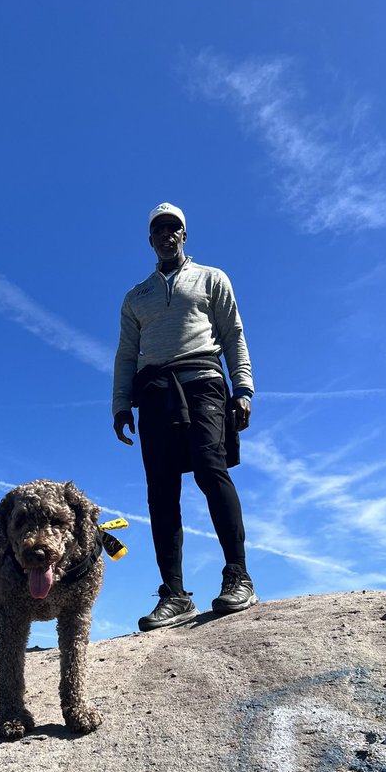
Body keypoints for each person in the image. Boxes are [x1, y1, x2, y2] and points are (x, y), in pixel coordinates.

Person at [112, 202, 257, 631]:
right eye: (159, 229)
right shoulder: (135, 296)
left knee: (211, 470)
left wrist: (243, 388)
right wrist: (120, 404)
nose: (166, 234)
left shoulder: (212, 278)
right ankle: (174, 594)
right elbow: (126, 354)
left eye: (173, 227)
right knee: (160, 489)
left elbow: (233, 334)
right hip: (155, 392)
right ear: (150, 239)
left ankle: (238, 576)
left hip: (204, 382)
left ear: (184, 235)